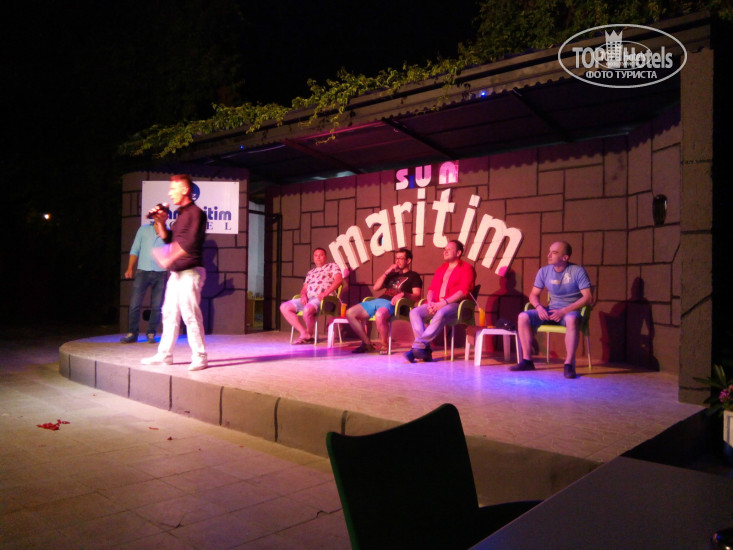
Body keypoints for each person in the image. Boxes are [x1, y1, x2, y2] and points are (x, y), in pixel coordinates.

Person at [141, 175, 209, 371]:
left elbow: (191, 243)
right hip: (177, 273)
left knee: (190, 314)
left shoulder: (196, 213)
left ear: (185, 190)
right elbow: (169, 239)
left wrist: (168, 256)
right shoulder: (180, 215)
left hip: (191, 272)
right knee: (169, 313)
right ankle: (165, 355)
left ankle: (200, 356)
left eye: (173, 189)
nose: (170, 193)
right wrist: (161, 222)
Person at [511, 241, 592, 379]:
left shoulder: (577, 271)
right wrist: (539, 307)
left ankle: (569, 364)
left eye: (554, 253)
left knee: (571, 319)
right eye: (549, 251)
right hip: (551, 311)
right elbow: (533, 295)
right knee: (523, 316)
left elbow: (588, 297)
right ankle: (527, 360)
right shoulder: (544, 271)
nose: (548, 255)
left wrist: (564, 311)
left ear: (565, 257)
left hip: (569, 312)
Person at [405, 240, 475, 363]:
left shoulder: (467, 268)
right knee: (414, 312)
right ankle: (424, 350)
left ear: (458, 253)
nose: (445, 251)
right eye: (445, 249)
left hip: (457, 306)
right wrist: (430, 302)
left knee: (442, 312)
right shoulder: (441, 269)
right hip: (437, 304)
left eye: (449, 249)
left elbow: (462, 293)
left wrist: (442, 304)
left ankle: (417, 347)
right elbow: (431, 289)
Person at [346, 248, 422, 354]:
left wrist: (403, 294)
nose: (397, 261)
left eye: (401, 258)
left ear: (408, 261)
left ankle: (384, 344)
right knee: (350, 313)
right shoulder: (392, 275)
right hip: (379, 300)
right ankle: (367, 343)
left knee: (379, 314)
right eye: (396, 258)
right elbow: (376, 287)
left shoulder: (414, 276)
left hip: (395, 303)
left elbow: (417, 296)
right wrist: (387, 271)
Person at [120, 213, 168, 344]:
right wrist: (130, 268)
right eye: (156, 214)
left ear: (166, 217)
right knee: (134, 304)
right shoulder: (143, 229)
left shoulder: (168, 233)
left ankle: (151, 333)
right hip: (143, 271)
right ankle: (132, 333)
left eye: (162, 215)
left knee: (156, 306)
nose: (158, 217)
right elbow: (135, 249)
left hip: (160, 273)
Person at [280, 248, 342, 344]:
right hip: (309, 298)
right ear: (313, 258)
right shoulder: (311, 272)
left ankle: (309, 333)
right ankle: (304, 333)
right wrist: (303, 295)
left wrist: (325, 293)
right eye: (316, 255)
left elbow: (338, 280)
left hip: (325, 299)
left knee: (307, 309)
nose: (318, 257)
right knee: (284, 307)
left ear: (326, 257)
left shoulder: (332, 266)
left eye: (321, 255)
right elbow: (304, 288)